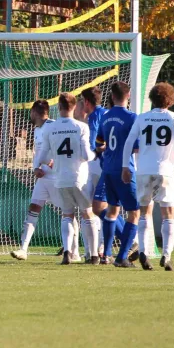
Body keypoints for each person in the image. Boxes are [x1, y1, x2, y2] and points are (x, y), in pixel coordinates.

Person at [122, 83, 174, 271]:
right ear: (170, 100)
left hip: (144, 170)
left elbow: (129, 142)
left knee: (144, 213)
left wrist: (124, 166)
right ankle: (166, 256)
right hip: (165, 171)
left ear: (152, 99)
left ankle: (144, 252)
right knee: (168, 215)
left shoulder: (142, 118)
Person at [12, 100, 81, 261]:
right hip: (43, 178)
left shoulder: (53, 126)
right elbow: (40, 152)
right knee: (34, 208)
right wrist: (36, 167)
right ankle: (23, 249)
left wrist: (54, 161)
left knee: (68, 213)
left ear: (35, 112)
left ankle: (75, 251)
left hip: (57, 178)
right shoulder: (37, 129)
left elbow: (64, 147)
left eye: (31, 112)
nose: (30, 115)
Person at [37, 93, 100, 265]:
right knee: (88, 214)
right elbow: (87, 155)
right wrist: (96, 153)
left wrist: (39, 165)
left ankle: (67, 252)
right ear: (74, 106)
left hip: (60, 178)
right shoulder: (81, 127)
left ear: (59, 106)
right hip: (79, 177)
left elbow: (42, 155)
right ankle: (94, 255)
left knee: (67, 215)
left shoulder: (50, 128)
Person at [96, 81, 139, 267]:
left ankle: (106, 255)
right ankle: (122, 257)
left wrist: (108, 148)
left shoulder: (105, 117)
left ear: (112, 97)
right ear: (128, 95)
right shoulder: (132, 117)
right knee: (134, 213)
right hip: (125, 171)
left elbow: (98, 144)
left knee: (112, 210)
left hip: (107, 170)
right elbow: (136, 147)